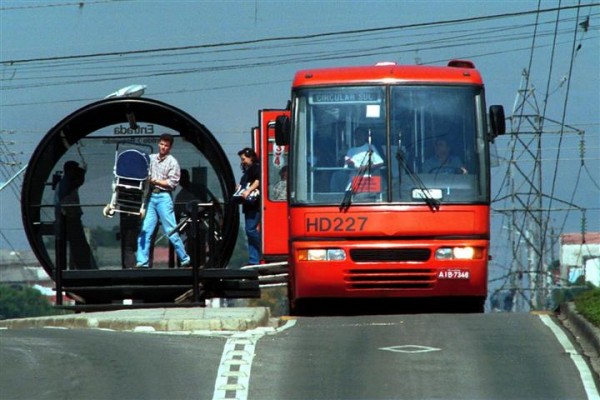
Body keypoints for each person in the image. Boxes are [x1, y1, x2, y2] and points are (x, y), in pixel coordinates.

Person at [136, 133, 190, 268]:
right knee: (146, 230)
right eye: (161, 144)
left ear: (170, 147)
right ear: (158, 144)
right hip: (150, 197)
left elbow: (172, 183)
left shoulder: (173, 162)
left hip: (163, 197)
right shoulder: (151, 158)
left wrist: (154, 181)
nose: (163, 147)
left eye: (166, 145)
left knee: (171, 230)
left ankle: (184, 258)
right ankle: (142, 261)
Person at [54, 160, 97, 269]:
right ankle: (83, 267)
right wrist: (83, 171)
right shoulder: (67, 183)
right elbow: (78, 181)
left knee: (77, 245)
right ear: (70, 171)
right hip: (71, 217)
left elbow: (78, 181)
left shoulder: (65, 183)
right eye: (74, 170)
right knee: (79, 245)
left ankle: (80, 266)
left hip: (70, 217)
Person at [235, 147, 261, 265]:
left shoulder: (255, 167)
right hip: (249, 205)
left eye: (244, 159)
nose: (242, 161)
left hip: (254, 204)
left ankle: (263, 246)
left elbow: (258, 180)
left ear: (251, 157)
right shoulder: (248, 170)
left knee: (250, 230)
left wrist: (248, 191)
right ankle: (253, 259)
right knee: (249, 232)